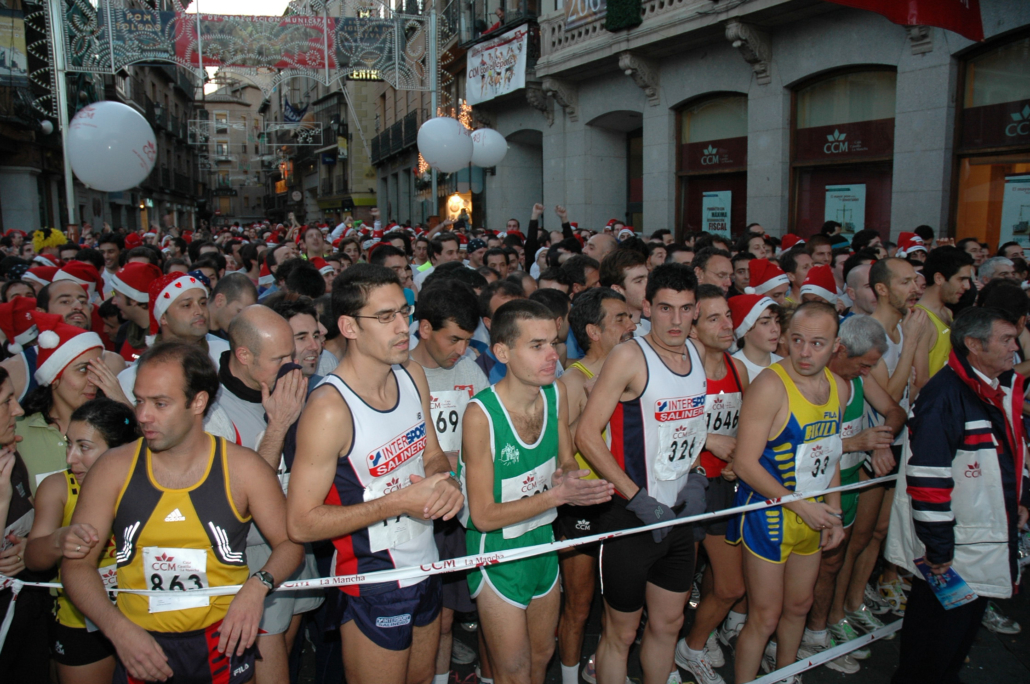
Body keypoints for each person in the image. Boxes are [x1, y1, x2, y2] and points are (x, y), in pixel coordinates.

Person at [61, 342, 304, 684]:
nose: (143, 415)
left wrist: (257, 587)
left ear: (198, 402)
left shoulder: (243, 468)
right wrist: (116, 629)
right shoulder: (112, 470)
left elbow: (291, 544)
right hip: (141, 644)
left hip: (223, 640)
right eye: (140, 399)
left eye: (160, 403)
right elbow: (76, 565)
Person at [286, 264, 464, 684]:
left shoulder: (412, 375)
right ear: (348, 326)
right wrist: (398, 502)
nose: (404, 327)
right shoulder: (329, 408)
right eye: (385, 318)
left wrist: (448, 483)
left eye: (405, 312)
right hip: (371, 579)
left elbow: (434, 457)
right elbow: (301, 522)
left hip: (424, 563)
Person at [459, 299, 613, 684]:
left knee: (542, 654)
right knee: (513, 670)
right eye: (537, 345)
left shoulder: (555, 395)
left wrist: (572, 481)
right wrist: (555, 497)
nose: (552, 355)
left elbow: (566, 461)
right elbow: (482, 516)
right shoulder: (481, 416)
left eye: (554, 343)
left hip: (542, 542)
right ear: (502, 352)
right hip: (497, 553)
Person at [576, 264, 705, 684]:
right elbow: (586, 435)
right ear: (647, 307)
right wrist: (637, 498)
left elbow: (689, 430)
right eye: (665, 308)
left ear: (695, 310)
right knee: (621, 632)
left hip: (680, 515)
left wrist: (698, 476)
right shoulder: (630, 356)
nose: (675, 320)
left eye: (685, 309)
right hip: (631, 518)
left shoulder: (696, 354)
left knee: (668, 625)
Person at [886, 307, 1030, 684]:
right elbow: (927, 479)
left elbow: (1016, 451)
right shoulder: (944, 397)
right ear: (973, 345)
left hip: (977, 543)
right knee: (931, 649)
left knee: (955, 645)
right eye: (1006, 339)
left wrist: (1022, 498)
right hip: (955, 553)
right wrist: (938, 551)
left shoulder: (996, 389)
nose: (1015, 348)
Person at [728, 302, 848, 683]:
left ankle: (786, 674)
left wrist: (834, 512)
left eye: (817, 343)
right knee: (764, 616)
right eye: (797, 341)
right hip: (770, 514)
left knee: (799, 606)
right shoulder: (769, 385)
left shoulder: (839, 388)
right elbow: (745, 464)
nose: (805, 352)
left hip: (808, 514)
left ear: (836, 346)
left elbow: (830, 456)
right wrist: (803, 507)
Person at [213, 304, 323, 683]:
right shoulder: (211, 409)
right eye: (280, 358)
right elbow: (233, 504)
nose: (292, 364)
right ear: (243, 355)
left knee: (287, 652)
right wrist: (278, 427)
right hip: (252, 558)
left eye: (292, 354)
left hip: (297, 543)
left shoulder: (290, 385)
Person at [805, 316, 905, 672]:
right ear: (841, 350)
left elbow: (896, 410)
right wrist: (855, 443)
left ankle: (821, 627)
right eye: (865, 364)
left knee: (836, 561)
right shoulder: (812, 379)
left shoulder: (856, 377)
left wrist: (882, 439)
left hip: (846, 485)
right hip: (812, 490)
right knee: (805, 571)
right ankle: (803, 636)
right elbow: (799, 443)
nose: (868, 371)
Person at [408, 281, 492, 684]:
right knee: (421, 625)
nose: (461, 349)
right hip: (415, 517)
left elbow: (491, 434)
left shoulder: (469, 369)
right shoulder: (399, 373)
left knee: (448, 620)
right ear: (424, 328)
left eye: (467, 340)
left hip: (460, 512)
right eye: (453, 339)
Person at [24, 398, 140, 684]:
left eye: (84, 447)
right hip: (81, 620)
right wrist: (57, 541)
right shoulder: (58, 486)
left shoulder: (148, 483)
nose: (70, 458)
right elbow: (32, 559)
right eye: (69, 444)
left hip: (144, 615)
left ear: (118, 450)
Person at [556, 288, 635, 684]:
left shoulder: (637, 370)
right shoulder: (573, 378)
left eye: (630, 316)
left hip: (624, 497)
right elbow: (559, 449)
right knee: (580, 603)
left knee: (621, 602)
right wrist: (590, 412)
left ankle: (604, 667)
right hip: (584, 503)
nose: (631, 324)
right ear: (594, 331)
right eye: (620, 319)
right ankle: (569, 676)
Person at [674, 285, 750, 684]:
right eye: (714, 318)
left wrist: (739, 458)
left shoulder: (739, 370)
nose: (726, 325)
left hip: (722, 486)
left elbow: (746, 428)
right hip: (683, 488)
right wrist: (706, 439)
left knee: (731, 585)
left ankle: (693, 646)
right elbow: (659, 424)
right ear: (692, 328)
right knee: (673, 591)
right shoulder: (682, 371)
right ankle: (662, 660)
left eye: (729, 316)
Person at [864, 258, 929, 616]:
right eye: (905, 282)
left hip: (901, 439)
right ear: (882, 289)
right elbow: (889, 394)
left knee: (881, 529)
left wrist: (914, 339)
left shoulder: (907, 327)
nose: (915, 288)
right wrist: (913, 341)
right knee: (860, 535)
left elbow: (921, 383)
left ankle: (859, 596)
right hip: (872, 443)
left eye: (915, 281)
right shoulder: (867, 332)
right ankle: (842, 606)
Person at [0, 366, 51, 683]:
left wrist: (28, 550)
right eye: (6, 401)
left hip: (25, 608)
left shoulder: (11, 458)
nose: (17, 410)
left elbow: (31, 523)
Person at [914, 247, 974, 381]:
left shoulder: (947, 312)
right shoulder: (920, 320)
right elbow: (920, 382)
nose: (967, 286)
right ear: (939, 278)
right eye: (961, 279)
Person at [109, 262, 163, 362]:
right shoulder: (124, 330)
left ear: (134, 299)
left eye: (117, 295)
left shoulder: (166, 334)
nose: (113, 302)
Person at [730, 294, 783, 382]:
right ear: (746, 330)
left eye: (777, 321)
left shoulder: (785, 366)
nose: (776, 329)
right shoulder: (731, 369)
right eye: (765, 323)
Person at [599, 249, 651, 336]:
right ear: (617, 290)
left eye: (648, 278)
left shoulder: (651, 325)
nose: (649, 285)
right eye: (639, 281)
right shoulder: (616, 336)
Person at [208, 273, 259, 340]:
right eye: (239, 312)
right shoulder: (193, 336)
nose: (243, 321)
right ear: (220, 300)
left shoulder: (231, 335)